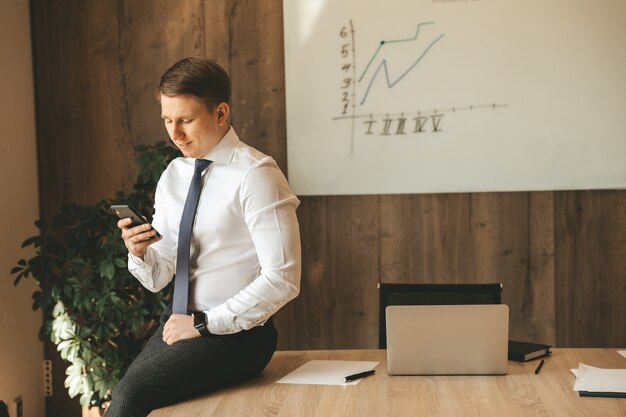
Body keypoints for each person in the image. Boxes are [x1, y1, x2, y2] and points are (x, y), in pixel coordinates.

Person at [105, 57, 301, 416]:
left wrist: (204, 324)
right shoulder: (174, 175)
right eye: (167, 120)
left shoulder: (257, 175)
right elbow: (160, 276)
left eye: (186, 120)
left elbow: (283, 279)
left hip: (239, 337)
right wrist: (141, 254)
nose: (175, 134)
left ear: (221, 113)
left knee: (131, 397)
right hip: (178, 321)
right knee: (124, 398)